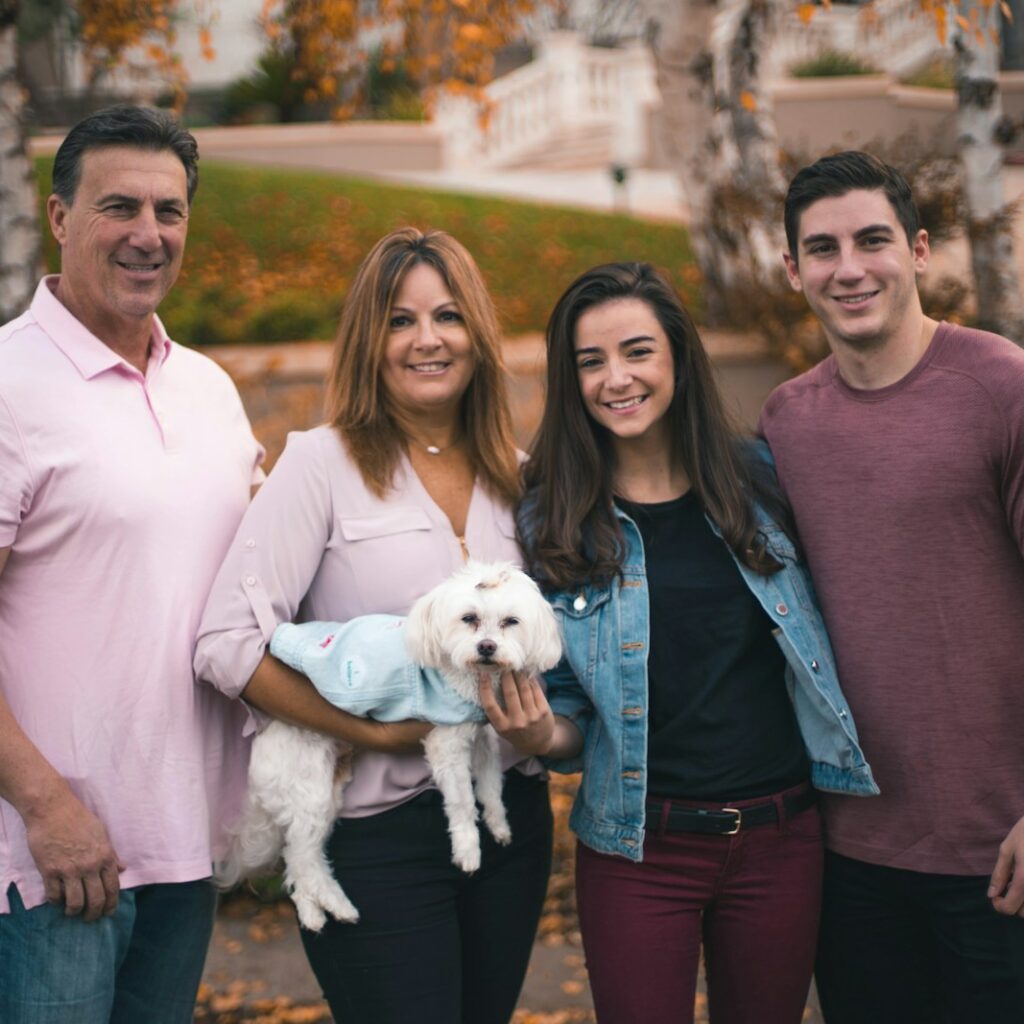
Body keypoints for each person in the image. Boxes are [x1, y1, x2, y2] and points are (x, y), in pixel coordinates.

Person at [487, 261, 876, 1024]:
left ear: (676, 357)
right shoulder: (552, 519)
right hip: (638, 848)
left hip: (779, 841)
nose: (615, 379)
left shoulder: (761, 482)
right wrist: (540, 732)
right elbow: (567, 716)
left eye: (637, 351)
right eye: (590, 362)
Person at [194, 227, 553, 1024]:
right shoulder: (320, 465)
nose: (428, 339)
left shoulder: (517, 474)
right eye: (399, 320)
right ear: (369, 339)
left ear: (478, 336)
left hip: (508, 827)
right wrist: (372, 732)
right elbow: (225, 645)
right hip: (375, 833)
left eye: (448, 316)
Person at [0, 106, 264, 1024]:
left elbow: (267, 571)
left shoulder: (208, 389)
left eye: (171, 211)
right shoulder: (7, 385)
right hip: (53, 862)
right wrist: (45, 809)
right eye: (120, 207)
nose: (149, 235)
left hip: (183, 845)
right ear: (60, 216)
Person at [759, 150, 1024, 1023]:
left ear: (916, 251)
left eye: (872, 240)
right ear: (794, 271)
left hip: (1000, 852)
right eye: (823, 249)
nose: (850, 268)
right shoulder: (787, 421)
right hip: (848, 859)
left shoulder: (1000, 386)